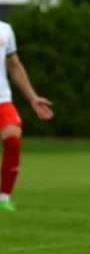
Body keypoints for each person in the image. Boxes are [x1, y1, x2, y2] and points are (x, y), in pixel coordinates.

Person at [0, 20, 53, 211]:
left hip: (2, 100)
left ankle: (4, 198)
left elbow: (14, 66)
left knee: (13, 139)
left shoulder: (5, 30)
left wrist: (33, 98)